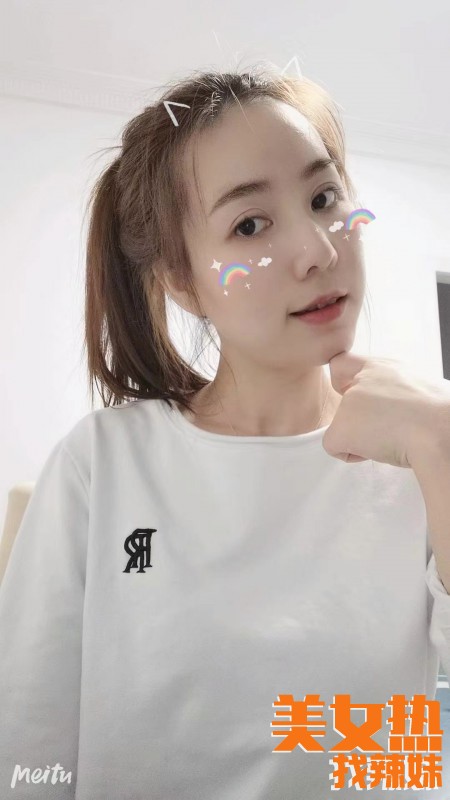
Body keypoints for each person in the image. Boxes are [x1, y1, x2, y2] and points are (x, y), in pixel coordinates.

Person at [0, 66, 449, 799]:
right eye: (249, 225)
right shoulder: (104, 464)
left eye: (324, 197)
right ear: (182, 279)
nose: (318, 249)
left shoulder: (419, 456)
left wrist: (442, 447)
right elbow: (26, 748)